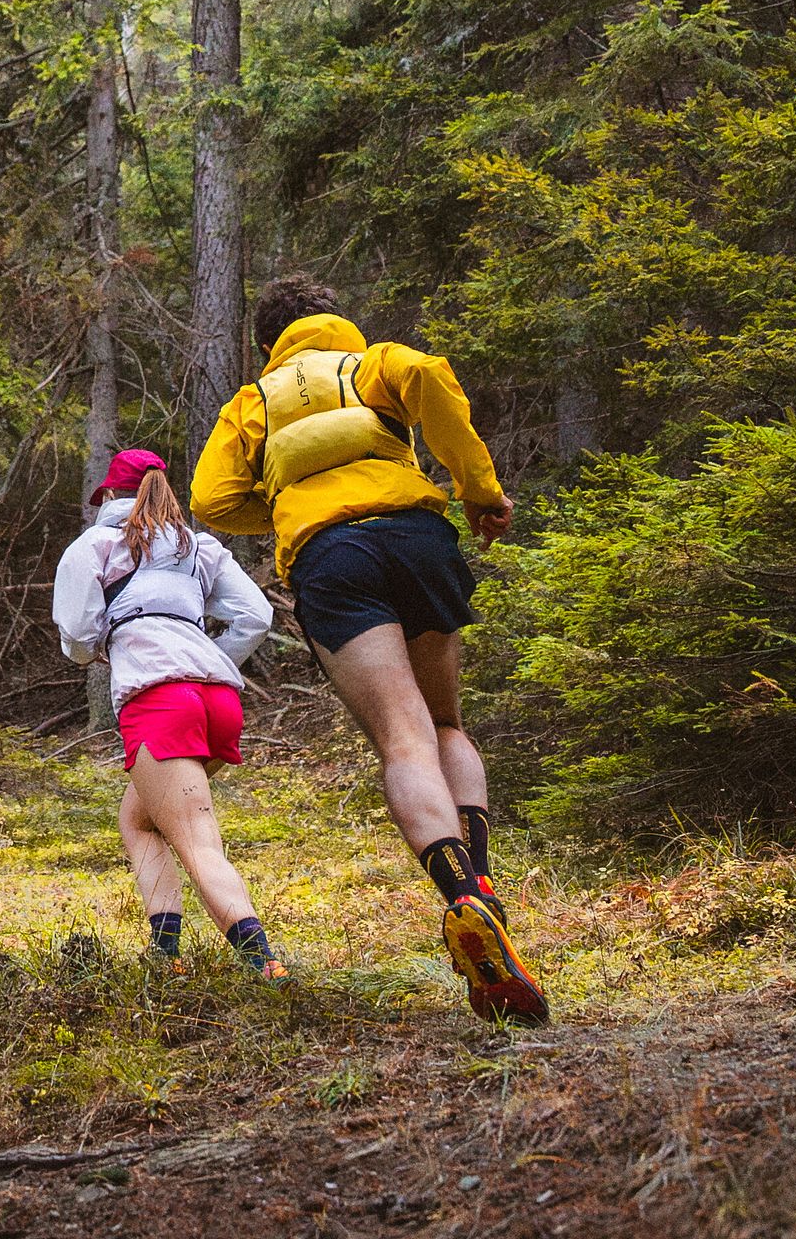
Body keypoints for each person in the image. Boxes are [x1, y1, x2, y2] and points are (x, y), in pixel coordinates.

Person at [189, 280, 548, 1025]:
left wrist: (291, 501)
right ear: (336, 321)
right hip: (418, 538)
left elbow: (210, 500)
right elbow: (432, 379)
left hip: (332, 558)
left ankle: (460, 896)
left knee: (402, 737)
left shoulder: (252, 403)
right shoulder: (374, 361)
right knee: (445, 724)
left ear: (266, 345)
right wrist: (480, 492)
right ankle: (483, 888)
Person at [50, 448, 287, 977]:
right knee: (138, 821)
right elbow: (257, 615)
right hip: (219, 699)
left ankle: (266, 965)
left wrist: (99, 651)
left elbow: (78, 632)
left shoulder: (96, 545)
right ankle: (166, 956)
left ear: (111, 494)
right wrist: (210, 661)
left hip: (159, 701)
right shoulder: (198, 547)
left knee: (198, 839)